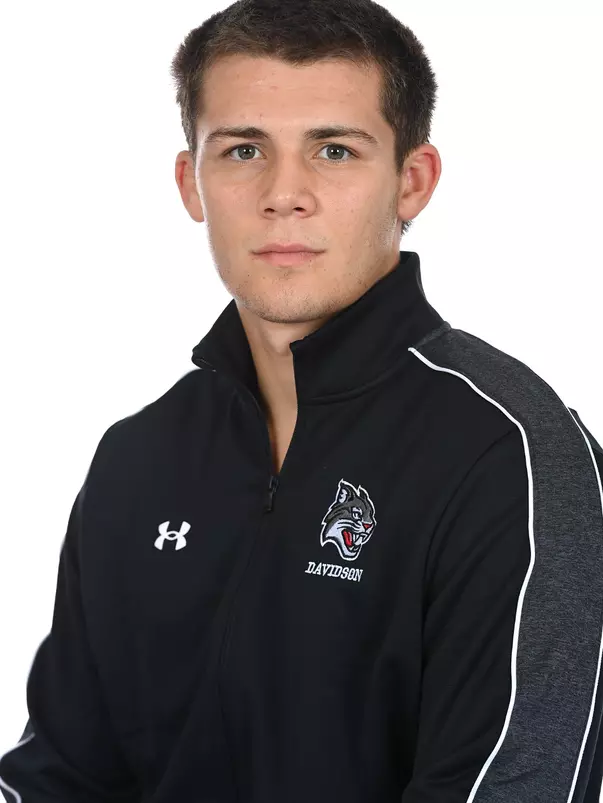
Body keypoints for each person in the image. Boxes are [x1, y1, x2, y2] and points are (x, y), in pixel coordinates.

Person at [2, 0, 602, 801]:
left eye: (334, 149)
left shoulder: (510, 456)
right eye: (244, 149)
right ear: (191, 182)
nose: (285, 193)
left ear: (411, 181)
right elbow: (60, 774)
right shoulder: (136, 456)